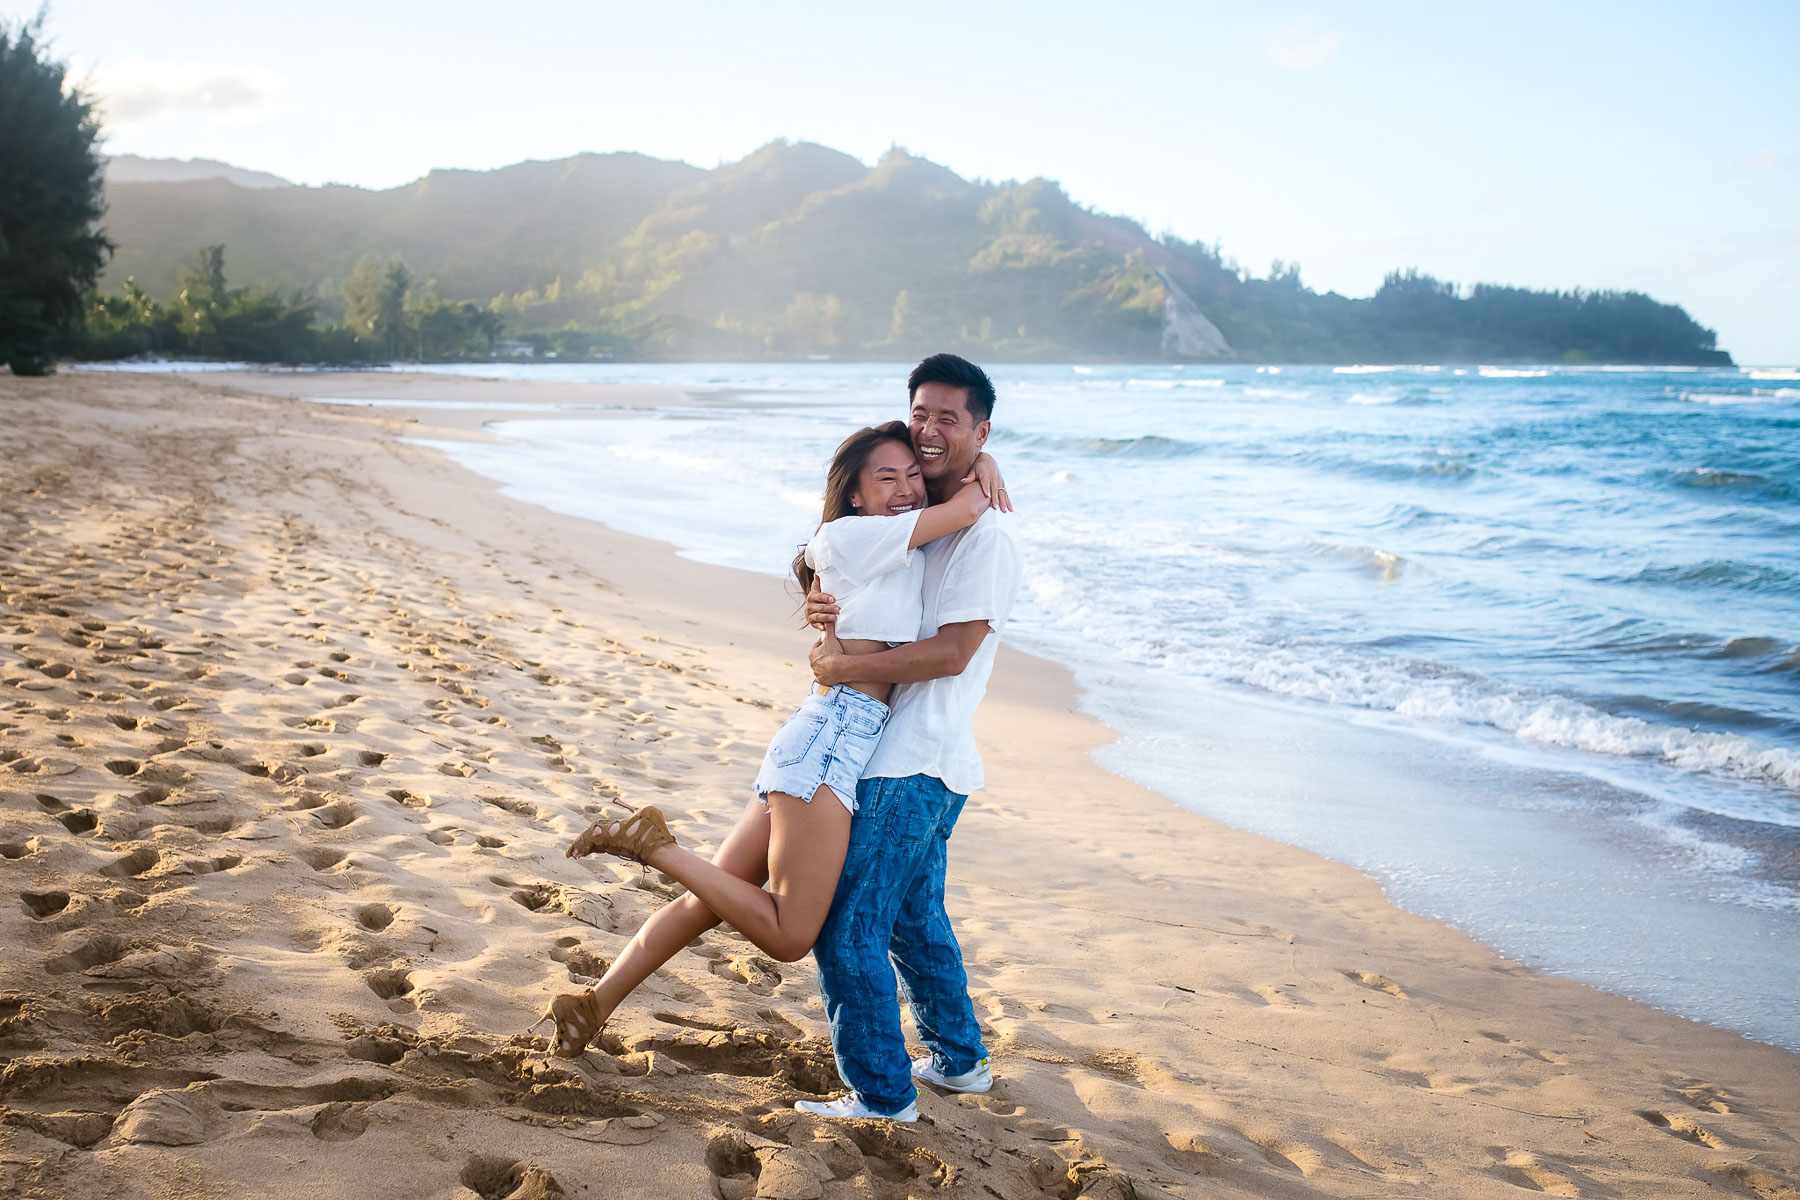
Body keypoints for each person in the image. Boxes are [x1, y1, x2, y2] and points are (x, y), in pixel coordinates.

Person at [532, 417, 1008, 1057]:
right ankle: (655, 847)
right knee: (788, 936)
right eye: (885, 478)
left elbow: (956, 500)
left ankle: (592, 1005)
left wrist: (984, 459)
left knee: (708, 901)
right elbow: (969, 506)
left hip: (820, 737)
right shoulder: (850, 538)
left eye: (912, 475)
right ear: (855, 494)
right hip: (832, 743)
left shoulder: (895, 543)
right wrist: (983, 467)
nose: (905, 488)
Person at [795, 353, 1023, 1123]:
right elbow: (851, 573)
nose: (928, 429)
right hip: (921, 755)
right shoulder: (919, 515)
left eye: (948, 419)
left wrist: (846, 668)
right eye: (920, 412)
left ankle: (882, 1096)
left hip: (912, 759)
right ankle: (959, 1062)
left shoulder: (983, 538)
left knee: (848, 927)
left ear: (980, 428)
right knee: (910, 920)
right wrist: (838, 641)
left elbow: (954, 652)